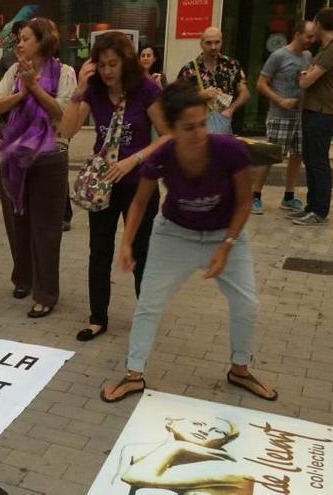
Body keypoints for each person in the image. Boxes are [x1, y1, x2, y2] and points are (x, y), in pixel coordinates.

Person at [101, 82, 276, 403]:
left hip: (225, 233)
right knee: (149, 303)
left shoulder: (228, 150)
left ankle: (240, 369)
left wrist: (226, 247)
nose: (198, 134)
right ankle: (133, 374)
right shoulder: (162, 155)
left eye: (202, 124)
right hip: (174, 234)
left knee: (246, 303)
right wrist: (126, 243)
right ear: (171, 129)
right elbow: (140, 202)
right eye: (188, 127)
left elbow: (242, 202)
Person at [60, 32, 169, 342]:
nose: (107, 71)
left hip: (138, 184)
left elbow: (167, 134)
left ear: (126, 62)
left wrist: (133, 160)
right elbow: (66, 130)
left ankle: (145, 316)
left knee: (140, 251)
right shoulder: (93, 92)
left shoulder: (145, 89)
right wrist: (79, 90)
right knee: (100, 251)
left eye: (113, 64)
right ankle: (97, 318)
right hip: (103, 185)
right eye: (102, 64)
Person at [0, 17, 76, 318]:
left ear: (41, 42)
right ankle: (23, 278)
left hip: (49, 158)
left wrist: (35, 89)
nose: (20, 43)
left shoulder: (65, 72)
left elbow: (62, 115)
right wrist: (22, 92)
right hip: (15, 157)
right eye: (19, 38)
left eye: (26, 38)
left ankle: (45, 293)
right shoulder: (13, 71)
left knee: (46, 229)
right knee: (17, 223)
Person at [291, 8, 333, 226]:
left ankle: (319, 210)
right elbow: (307, 76)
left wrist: (305, 76)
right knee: (310, 159)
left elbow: (306, 80)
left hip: (323, 112)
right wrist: (306, 75)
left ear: (318, 24)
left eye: (313, 24)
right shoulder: (326, 48)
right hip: (314, 110)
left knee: (318, 162)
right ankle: (311, 205)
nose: (311, 29)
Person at [253, 20, 314, 215]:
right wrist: (280, 101)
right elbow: (261, 83)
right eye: (309, 36)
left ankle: (289, 196)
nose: (311, 41)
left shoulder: (307, 56)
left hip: (300, 115)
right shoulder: (279, 56)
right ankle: (255, 195)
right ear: (297, 34)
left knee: (297, 155)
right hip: (280, 115)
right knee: (270, 155)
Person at [110, 416, 254, 494]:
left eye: (218, 431)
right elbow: (115, 488)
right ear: (171, 423)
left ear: (224, 441)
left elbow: (134, 476)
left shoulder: (228, 467)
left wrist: (177, 446)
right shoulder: (134, 451)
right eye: (198, 423)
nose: (204, 431)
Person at [177, 27, 249, 135]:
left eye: (217, 42)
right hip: (197, 128)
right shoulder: (189, 69)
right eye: (208, 43)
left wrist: (230, 110)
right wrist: (200, 96)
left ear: (222, 42)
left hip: (224, 124)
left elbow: (245, 93)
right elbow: (176, 99)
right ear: (201, 44)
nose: (213, 47)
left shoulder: (232, 65)